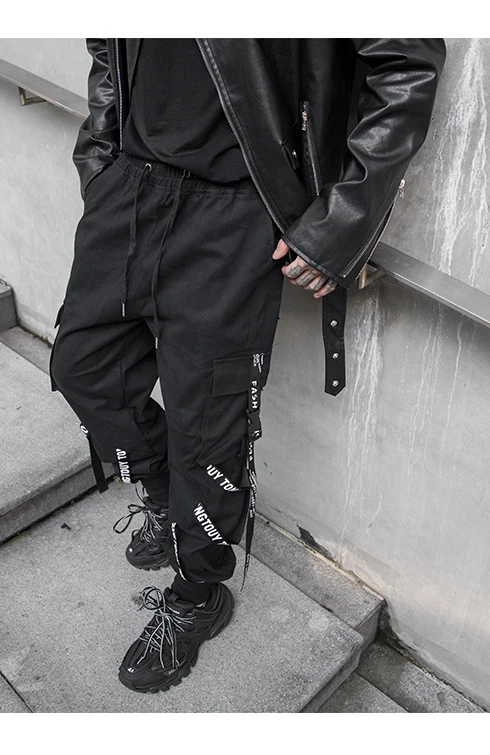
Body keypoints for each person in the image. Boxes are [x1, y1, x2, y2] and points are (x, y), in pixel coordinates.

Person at [49, 38, 446, 694]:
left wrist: (339, 223)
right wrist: (100, 155)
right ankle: (165, 496)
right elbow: (105, 42)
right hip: (129, 183)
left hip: (234, 207)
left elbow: (407, 63)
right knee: (82, 367)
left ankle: (198, 592)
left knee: (209, 428)